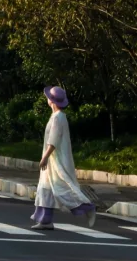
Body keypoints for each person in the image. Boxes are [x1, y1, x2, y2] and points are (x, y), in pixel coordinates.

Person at [31, 85, 97, 230]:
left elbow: (53, 140)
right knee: (45, 189)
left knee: (63, 189)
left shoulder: (58, 118)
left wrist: (45, 157)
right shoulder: (56, 116)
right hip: (53, 160)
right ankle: (45, 220)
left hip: (56, 161)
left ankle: (88, 208)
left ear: (52, 101)